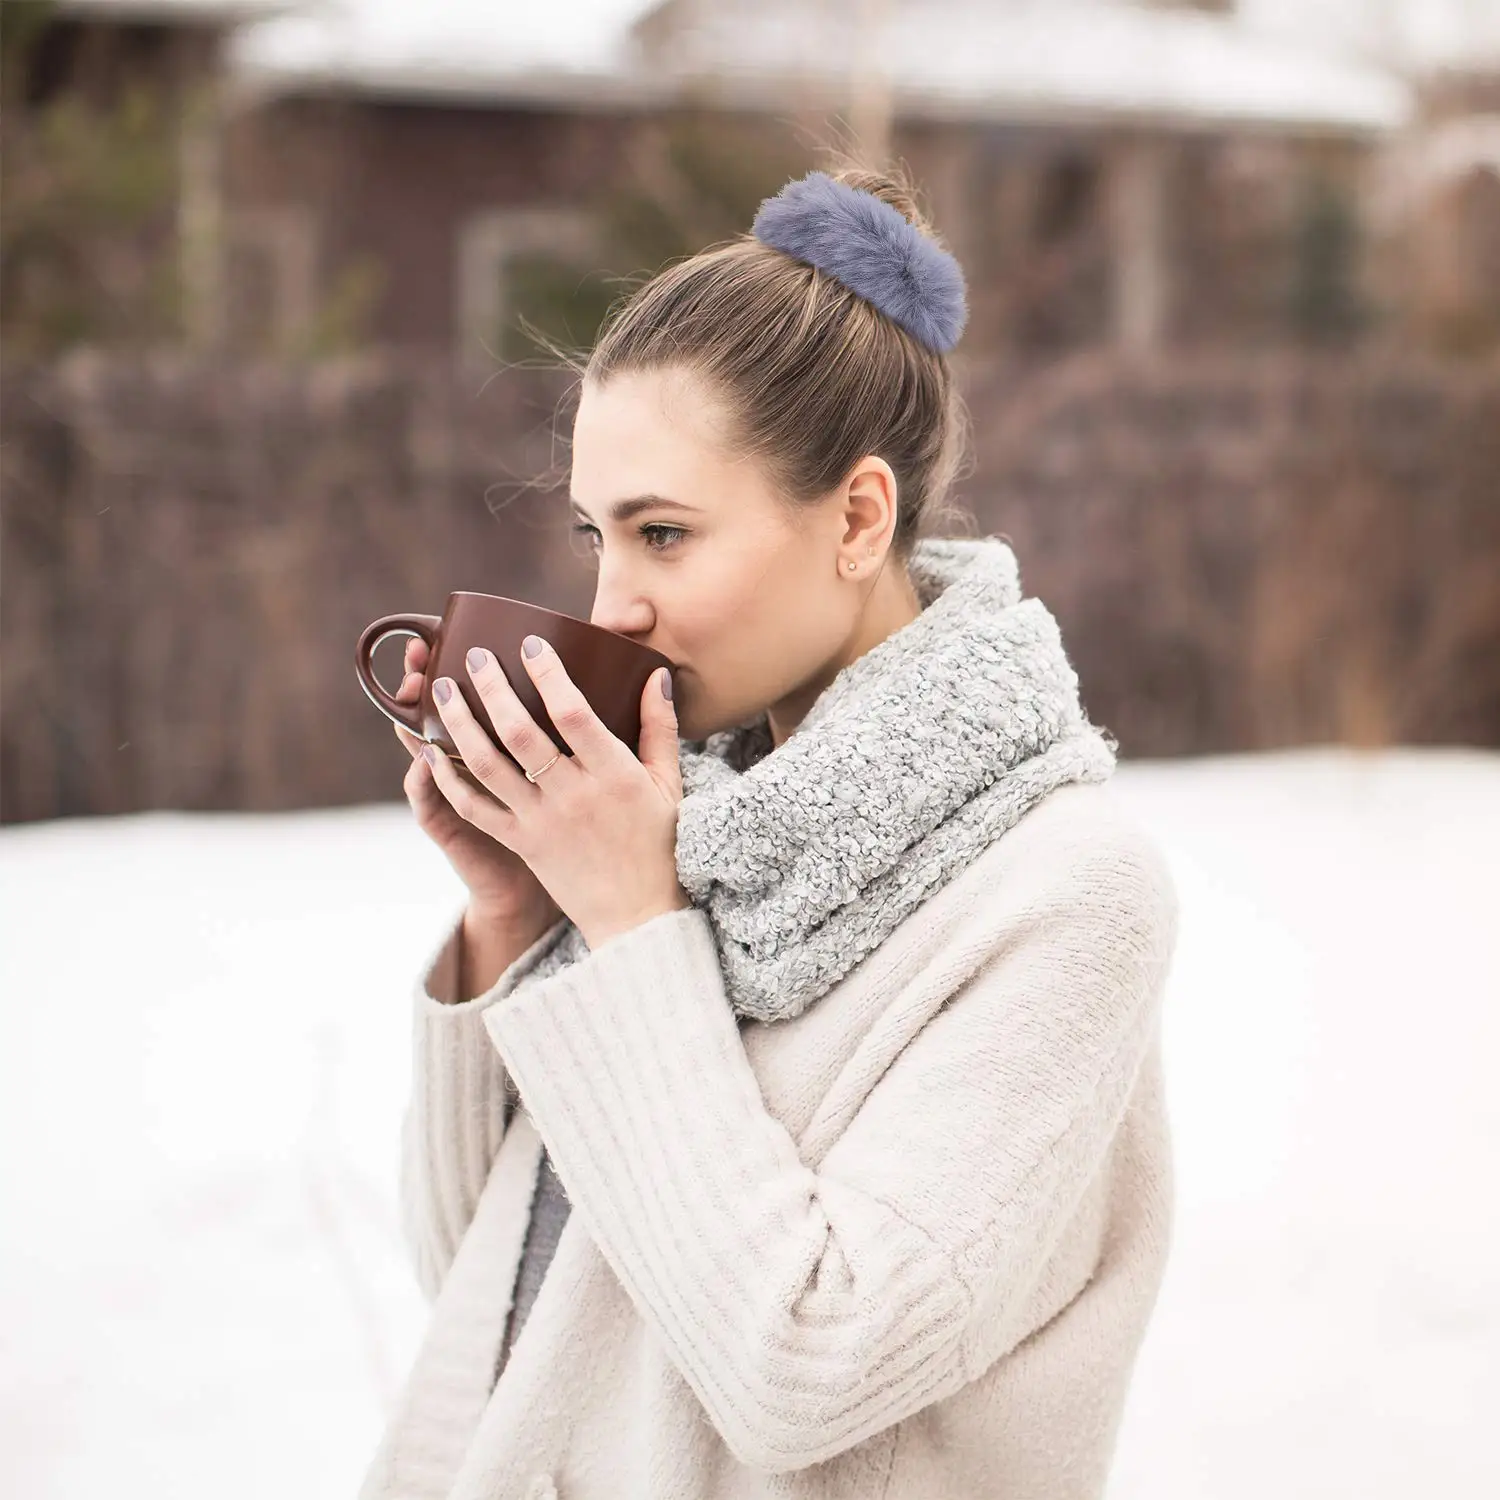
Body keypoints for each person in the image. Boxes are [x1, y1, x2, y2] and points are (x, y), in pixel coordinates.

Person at [357, 163, 1179, 1500]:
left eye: (665, 536)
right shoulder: (703, 831)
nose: (612, 606)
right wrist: (513, 915)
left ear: (859, 518)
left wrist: (630, 928)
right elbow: (497, 1308)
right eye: (597, 538)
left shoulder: (1065, 896)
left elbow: (808, 1369)